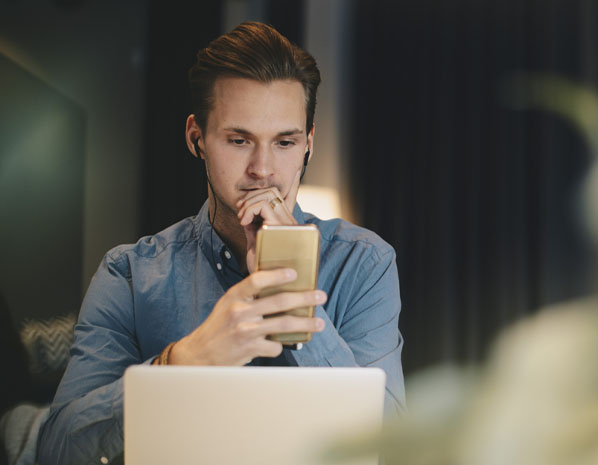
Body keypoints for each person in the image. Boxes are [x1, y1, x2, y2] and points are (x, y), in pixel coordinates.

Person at [37, 21, 405, 464]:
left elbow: (390, 446)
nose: (263, 169)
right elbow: (58, 449)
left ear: (308, 143)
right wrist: (185, 362)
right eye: (239, 140)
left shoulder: (364, 263)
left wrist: (292, 297)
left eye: (284, 142)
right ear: (197, 139)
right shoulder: (129, 273)